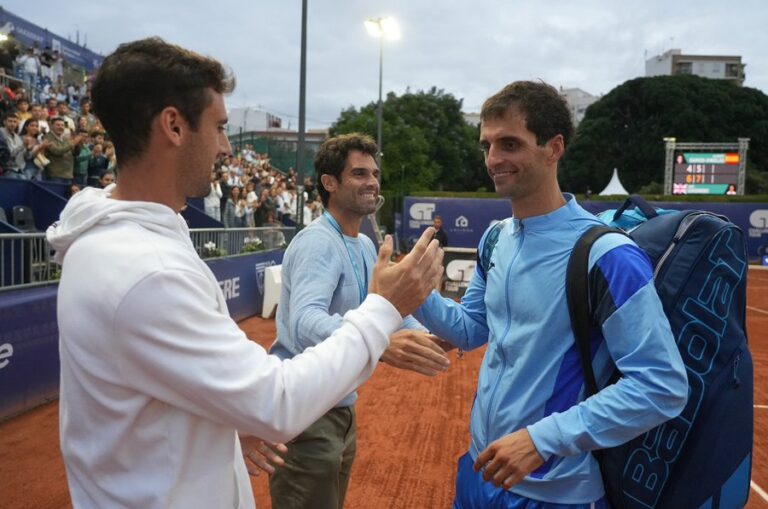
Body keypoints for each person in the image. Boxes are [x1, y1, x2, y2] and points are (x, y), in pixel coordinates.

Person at [45, 37, 444, 509]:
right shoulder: (145, 271)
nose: (224, 148)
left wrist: (224, 423)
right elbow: (276, 402)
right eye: (218, 128)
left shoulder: (139, 240)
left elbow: (164, 382)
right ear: (173, 126)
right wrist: (383, 312)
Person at [412, 81, 688, 507]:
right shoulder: (495, 238)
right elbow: (470, 330)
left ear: (553, 147)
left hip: (554, 490)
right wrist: (417, 292)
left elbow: (661, 385)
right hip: (480, 468)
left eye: (509, 143)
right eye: (487, 144)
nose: (493, 159)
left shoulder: (608, 255)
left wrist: (542, 441)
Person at [268, 133, 450, 509]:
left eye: (374, 173)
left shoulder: (365, 243)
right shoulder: (318, 242)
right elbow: (304, 321)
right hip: (305, 411)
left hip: (339, 407)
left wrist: (432, 336)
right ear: (329, 183)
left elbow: (385, 311)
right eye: (359, 174)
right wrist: (380, 344)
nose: (372, 182)